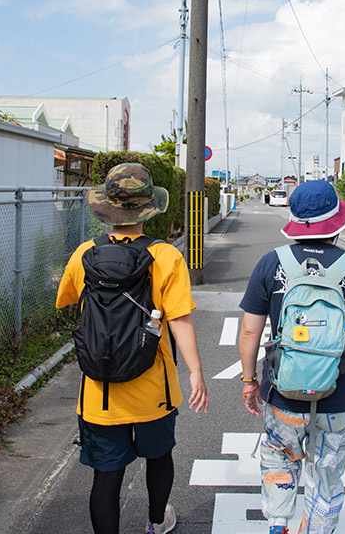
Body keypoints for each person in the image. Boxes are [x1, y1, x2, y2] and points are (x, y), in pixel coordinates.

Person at [56, 163, 209, 534]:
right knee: (159, 456)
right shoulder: (166, 257)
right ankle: (156, 523)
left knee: (105, 477)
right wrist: (196, 372)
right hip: (153, 386)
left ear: (107, 207)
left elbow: (67, 300)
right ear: (149, 209)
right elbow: (180, 320)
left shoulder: (84, 255)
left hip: (100, 391)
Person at [238, 180, 345, 534]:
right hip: (343, 396)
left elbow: (249, 331)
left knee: (279, 461)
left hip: (283, 393)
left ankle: (279, 526)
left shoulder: (270, 264)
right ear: (336, 222)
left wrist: (249, 382)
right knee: (327, 474)